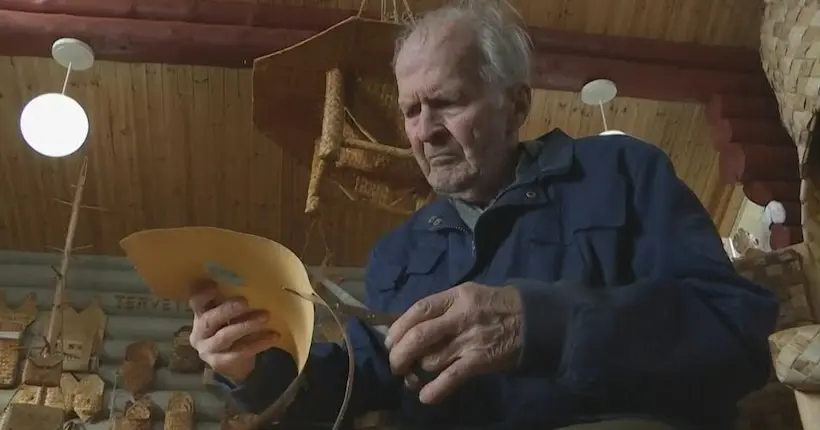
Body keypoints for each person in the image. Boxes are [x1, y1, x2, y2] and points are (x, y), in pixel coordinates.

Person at [188, 1, 779, 429]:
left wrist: (540, 325)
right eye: (411, 110)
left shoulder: (621, 171)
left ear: (515, 103)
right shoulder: (397, 255)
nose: (424, 131)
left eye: (445, 102)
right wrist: (252, 366)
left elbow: (735, 334)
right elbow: (354, 381)